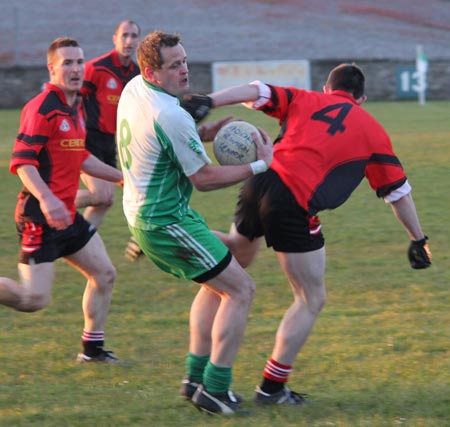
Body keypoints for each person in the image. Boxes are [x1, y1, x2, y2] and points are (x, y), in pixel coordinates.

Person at [181, 63, 432, 404]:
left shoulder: (306, 98)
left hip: (258, 181)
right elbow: (398, 193)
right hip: (292, 201)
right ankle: (271, 389)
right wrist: (417, 239)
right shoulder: (373, 131)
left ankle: (193, 375)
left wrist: (209, 99)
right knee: (310, 297)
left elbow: (257, 89)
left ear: (328, 89)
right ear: (362, 98)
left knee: (233, 260)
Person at [116, 30, 273, 415]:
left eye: (185, 60)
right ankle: (215, 390)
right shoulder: (170, 114)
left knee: (221, 278)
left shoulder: (134, 89)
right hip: (165, 221)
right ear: (153, 73)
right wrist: (260, 165)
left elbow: (158, 143)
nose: (185, 71)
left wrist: (199, 135)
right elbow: (202, 180)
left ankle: (194, 380)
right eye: (175, 66)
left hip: (147, 214)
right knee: (241, 290)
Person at [0, 37, 124, 363]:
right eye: (67, 63)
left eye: (79, 61)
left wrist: (120, 176)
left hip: (67, 215)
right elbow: (24, 163)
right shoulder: (42, 107)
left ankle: (92, 351)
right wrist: (46, 199)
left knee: (104, 274)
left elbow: (79, 155)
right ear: (52, 68)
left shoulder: (76, 106)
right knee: (33, 299)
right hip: (39, 217)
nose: (75, 68)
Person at [75, 20, 140, 233]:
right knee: (101, 195)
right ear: (115, 39)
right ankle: (46, 201)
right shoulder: (97, 68)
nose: (129, 40)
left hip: (111, 143)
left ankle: (83, 240)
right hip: (88, 139)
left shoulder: (137, 75)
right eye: (125, 35)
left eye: (133, 36)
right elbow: (72, 97)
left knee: (105, 200)